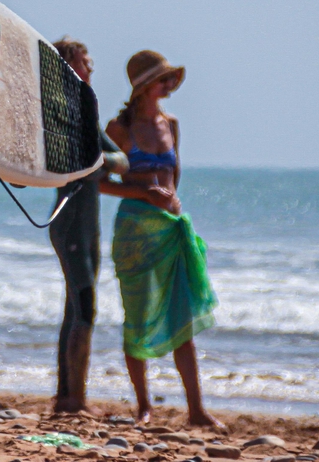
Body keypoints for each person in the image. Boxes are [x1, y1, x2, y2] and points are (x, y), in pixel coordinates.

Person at [101, 50, 223, 430]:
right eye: (163, 79)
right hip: (135, 232)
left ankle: (196, 410)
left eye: (171, 78)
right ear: (143, 86)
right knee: (136, 316)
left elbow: (174, 176)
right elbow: (100, 183)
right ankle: (143, 407)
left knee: (182, 318)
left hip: (170, 229)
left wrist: (169, 203)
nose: (169, 85)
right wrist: (144, 194)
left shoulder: (171, 124)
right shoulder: (119, 129)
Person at [47, 38, 128, 415]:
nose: (91, 68)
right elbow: (81, 160)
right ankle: (74, 399)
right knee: (84, 305)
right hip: (71, 221)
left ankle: (67, 396)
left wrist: (99, 162)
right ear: (67, 65)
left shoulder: (82, 109)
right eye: (85, 62)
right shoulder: (60, 110)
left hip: (85, 222)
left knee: (75, 306)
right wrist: (101, 163)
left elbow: (121, 159)